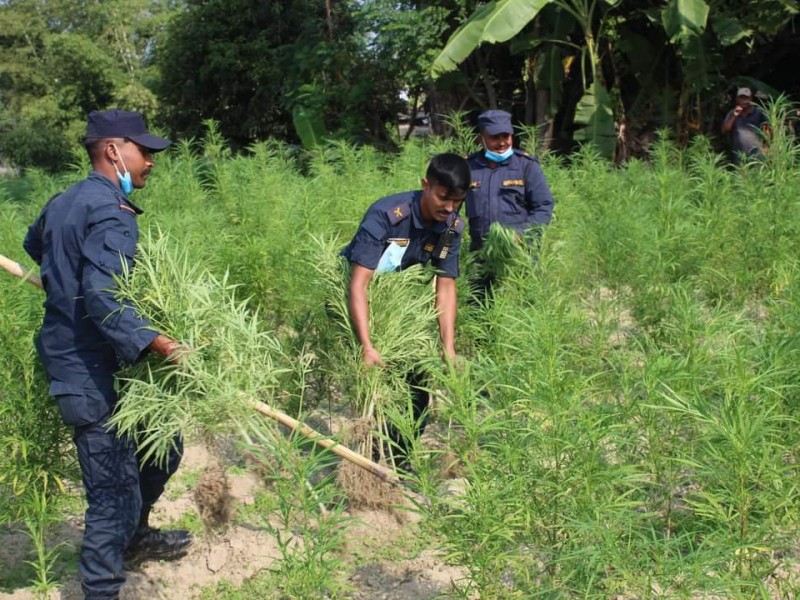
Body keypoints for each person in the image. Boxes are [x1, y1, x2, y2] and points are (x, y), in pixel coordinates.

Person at [23, 109, 192, 600]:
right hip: (85, 367)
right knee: (112, 493)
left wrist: (64, 276)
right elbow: (102, 297)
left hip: (101, 359)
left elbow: (34, 243)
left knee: (164, 445)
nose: (152, 163)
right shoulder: (111, 213)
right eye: (145, 152)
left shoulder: (65, 201)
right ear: (114, 150)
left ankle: (134, 538)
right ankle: (101, 588)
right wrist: (158, 342)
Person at [340, 153, 470, 466]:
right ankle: (364, 458)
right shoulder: (387, 215)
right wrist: (367, 346)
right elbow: (359, 284)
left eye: (457, 201)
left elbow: (446, 285)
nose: (449, 208)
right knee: (377, 384)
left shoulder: (450, 227)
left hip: (398, 305)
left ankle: (399, 460)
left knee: (417, 388)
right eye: (443, 198)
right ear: (426, 185)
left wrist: (448, 348)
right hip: (359, 302)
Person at [466, 109, 555, 296]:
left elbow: (544, 205)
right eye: (494, 137)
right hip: (481, 256)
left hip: (520, 254)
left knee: (522, 304)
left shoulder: (526, 165)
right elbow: (450, 208)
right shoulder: (469, 167)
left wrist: (521, 234)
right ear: (481, 138)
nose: (501, 143)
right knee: (480, 308)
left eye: (506, 136)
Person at [721, 87, 769, 164]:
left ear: (751, 99)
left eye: (746, 98)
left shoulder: (758, 113)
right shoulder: (732, 113)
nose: (744, 101)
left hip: (757, 154)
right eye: (741, 98)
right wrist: (734, 116)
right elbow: (725, 130)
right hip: (739, 155)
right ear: (737, 99)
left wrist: (766, 146)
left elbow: (767, 129)